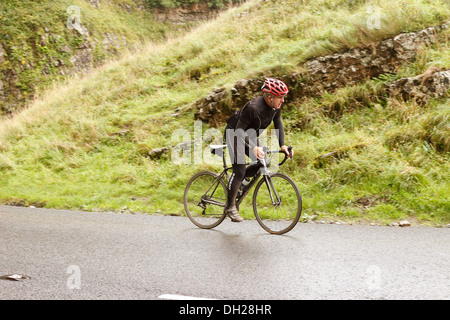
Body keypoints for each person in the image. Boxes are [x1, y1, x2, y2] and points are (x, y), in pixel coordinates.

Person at [224, 78, 294, 222]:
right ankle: (230, 207)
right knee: (240, 169)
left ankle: (240, 184)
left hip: (248, 135)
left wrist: (283, 145)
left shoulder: (275, 107)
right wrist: (253, 147)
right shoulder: (253, 107)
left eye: (283, 97)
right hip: (234, 133)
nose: (282, 101)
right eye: (280, 97)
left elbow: (278, 123)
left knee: (264, 160)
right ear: (270, 97)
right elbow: (239, 130)